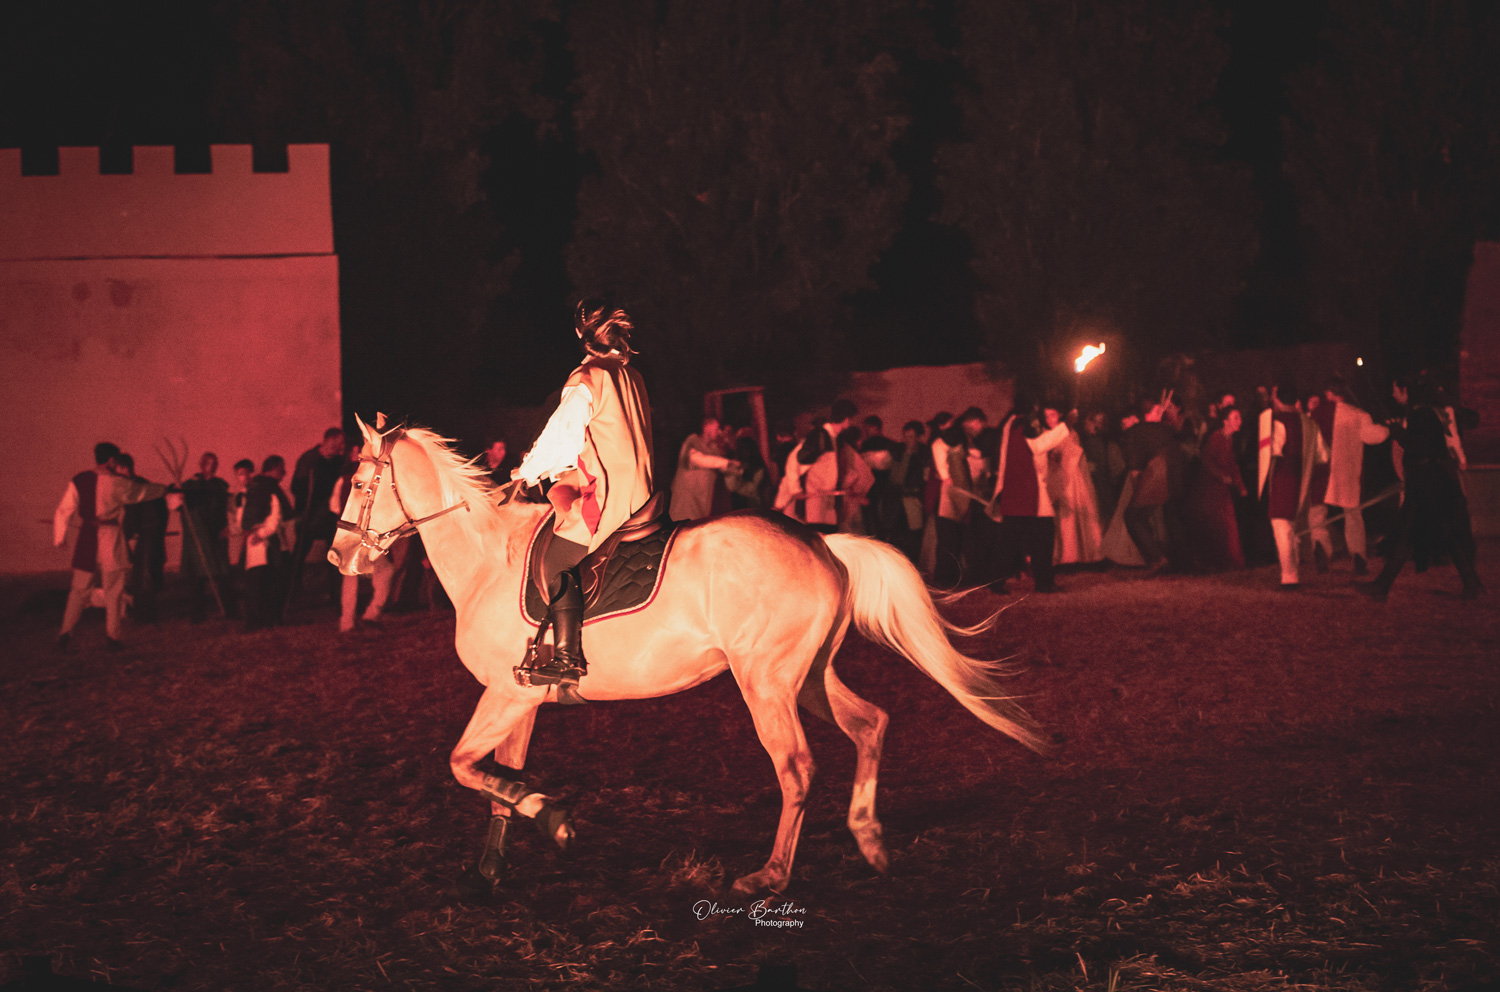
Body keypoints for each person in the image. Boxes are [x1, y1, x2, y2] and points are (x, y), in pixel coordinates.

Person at [512, 299, 654, 686]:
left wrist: (528, 470)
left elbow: (562, 435)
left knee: (557, 561)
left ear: (580, 333)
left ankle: (566, 659)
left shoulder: (588, 376)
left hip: (610, 497)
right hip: (644, 493)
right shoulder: (632, 376)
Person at [1360, 378, 1482, 601]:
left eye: (1396, 390)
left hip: (1428, 484)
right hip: (1428, 482)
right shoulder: (1423, 413)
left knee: (1421, 534)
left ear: (1406, 390)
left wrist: (1397, 431)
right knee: (1418, 534)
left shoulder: (1423, 414)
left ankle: (1382, 586)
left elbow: (1418, 446)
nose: (1394, 395)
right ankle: (1382, 586)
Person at [53, 442, 167, 651]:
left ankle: (65, 634)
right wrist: (164, 490)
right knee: (114, 590)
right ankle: (112, 638)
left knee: (78, 590)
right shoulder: (118, 483)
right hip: (110, 538)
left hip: (87, 539)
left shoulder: (80, 480)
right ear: (112, 461)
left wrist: (59, 537)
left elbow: (63, 510)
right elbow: (141, 493)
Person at [1309, 377, 1390, 575]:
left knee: (1317, 513)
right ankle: (1358, 555)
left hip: (1322, 472)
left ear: (1329, 393)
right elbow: (1373, 437)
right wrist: (1388, 428)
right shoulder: (1357, 415)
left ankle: (1321, 546)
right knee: (1353, 515)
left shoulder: (1315, 414)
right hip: (1348, 473)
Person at [989, 401, 1071, 593]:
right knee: (1036, 537)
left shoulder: (1012, 423)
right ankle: (1042, 582)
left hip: (1020, 490)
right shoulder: (1022, 424)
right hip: (1027, 490)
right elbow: (1039, 445)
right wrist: (1066, 426)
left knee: (1013, 539)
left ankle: (1002, 581)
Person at [1258, 383, 1323, 589]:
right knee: (1292, 528)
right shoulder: (1311, 424)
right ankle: (1294, 571)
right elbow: (1323, 455)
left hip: (1283, 481)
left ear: (1277, 399)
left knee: (1282, 527)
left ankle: (1289, 577)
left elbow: (1274, 451)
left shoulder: (1279, 422)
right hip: (1304, 481)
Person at [1121, 392, 1189, 573]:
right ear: (1148, 413)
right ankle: (1180, 561)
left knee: (1133, 517)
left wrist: (1138, 490)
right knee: (1169, 517)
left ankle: (1158, 558)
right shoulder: (1163, 431)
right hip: (1171, 477)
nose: (1162, 413)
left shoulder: (1140, 432)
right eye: (1159, 411)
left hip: (1159, 476)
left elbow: (1135, 467)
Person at [288, 427, 346, 607]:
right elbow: (296, 487)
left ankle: (337, 597)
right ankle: (290, 595)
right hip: (309, 515)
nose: (341, 446)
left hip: (330, 516)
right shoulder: (309, 460)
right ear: (330, 440)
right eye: (339, 443)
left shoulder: (338, 462)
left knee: (335, 554)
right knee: (299, 555)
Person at [1186, 406, 1248, 570]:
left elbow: (1232, 465)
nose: (1239, 421)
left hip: (1221, 489)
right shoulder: (1216, 438)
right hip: (1210, 488)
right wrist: (1221, 476)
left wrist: (1240, 486)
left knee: (1226, 524)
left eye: (1239, 417)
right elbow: (1206, 459)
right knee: (1219, 524)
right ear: (1225, 421)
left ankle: (1229, 560)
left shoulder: (1229, 439)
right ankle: (1219, 561)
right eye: (1235, 418)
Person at [179, 451, 236, 621]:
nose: (213, 467)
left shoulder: (220, 486)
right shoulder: (191, 485)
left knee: (223, 573)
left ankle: (230, 610)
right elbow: (180, 506)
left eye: (215, 463)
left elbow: (228, 506)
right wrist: (180, 496)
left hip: (217, 533)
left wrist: (229, 527)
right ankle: (197, 613)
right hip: (199, 535)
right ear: (202, 464)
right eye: (210, 463)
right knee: (198, 574)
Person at [1047, 407, 1105, 567]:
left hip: (1072, 479)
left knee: (1073, 516)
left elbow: (1076, 457)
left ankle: (1076, 555)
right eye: (1047, 416)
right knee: (1060, 518)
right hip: (1054, 478)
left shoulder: (1071, 434)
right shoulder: (1047, 434)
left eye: (1053, 415)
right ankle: (1061, 555)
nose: (1050, 419)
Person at [115, 453, 168, 624]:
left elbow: (133, 514)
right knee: (145, 573)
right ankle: (146, 613)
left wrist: (131, 535)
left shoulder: (133, 488)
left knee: (143, 575)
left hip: (145, 535)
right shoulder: (146, 485)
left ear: (124, 468)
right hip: (152, 534)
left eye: (117, 470)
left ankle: (145, 615)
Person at [241, 455, 292, 631]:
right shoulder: (268, 489)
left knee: (258, 582)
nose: (284, 473)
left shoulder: (254, 487)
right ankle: (266, 619)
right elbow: (274, 516)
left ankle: (261, 620)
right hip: (267, 543)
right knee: (267, 582)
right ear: (274, 469)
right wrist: (261, 533)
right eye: (282, 469)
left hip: (257, 541)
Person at [671, 417, 738, 521]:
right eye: (717, 429)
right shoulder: (691, 443)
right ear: (706, 428)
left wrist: (737, 465)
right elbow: (701, 460)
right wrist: (727, 462)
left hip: (702, 502)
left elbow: (725, 468)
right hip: (686, 502)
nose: (719, 432)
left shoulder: (714, 449)